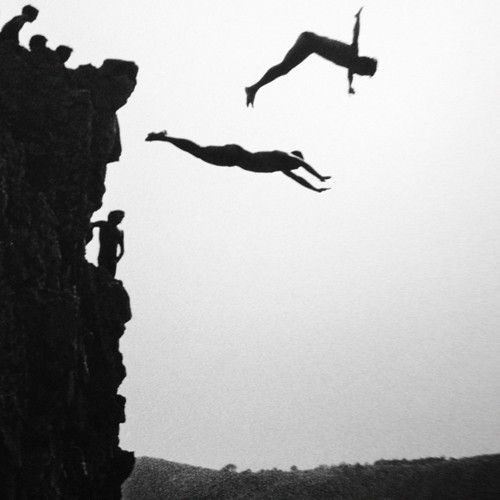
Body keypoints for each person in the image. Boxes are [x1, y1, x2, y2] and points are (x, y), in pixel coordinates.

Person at [245, 8, 376, 107]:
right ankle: (253, 88)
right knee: (284, 68)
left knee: (284, 69)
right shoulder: (353, 53)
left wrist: (350, 86)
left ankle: (253, 88)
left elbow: (350, 75)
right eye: (363, 73)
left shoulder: (351, 65)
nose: (361, 74)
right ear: (363, 64)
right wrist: (358, 18)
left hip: (309, 45)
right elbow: (356, 33)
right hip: (309, 41)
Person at [146, 131, 331, 193]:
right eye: (297, 164)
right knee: (199, 152)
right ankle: (165, 138)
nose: (296, 167)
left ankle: (165, 138)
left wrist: (314, 189)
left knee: (199, 153)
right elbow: (303, 165)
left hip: (233, 160)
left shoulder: (283, 167)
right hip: (236, 154)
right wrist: (319, 176)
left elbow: (298, 180)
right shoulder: (285, 156)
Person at [88, 210, 125, 278]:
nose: (120, 220)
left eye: (121, 218)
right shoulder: (104, 224)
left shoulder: (120, 232)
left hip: (112, 259)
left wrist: (116, 260)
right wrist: (89, 235)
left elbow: (122, 251)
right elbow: (90, 225)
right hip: (103, 256)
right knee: (102, 275)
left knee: (110, 278)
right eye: (120, 217)